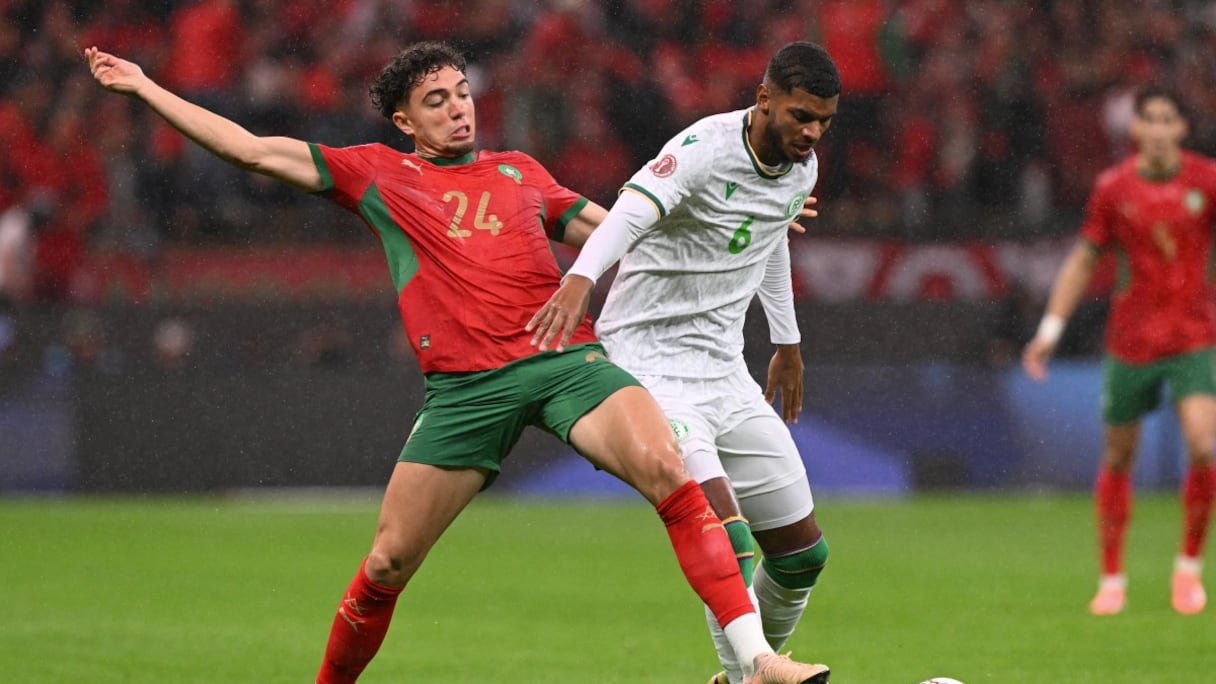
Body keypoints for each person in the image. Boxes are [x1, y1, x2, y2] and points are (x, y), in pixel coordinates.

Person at [84, 42, 832, 684]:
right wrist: (147, 88)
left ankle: (756, 663)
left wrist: (740, 210)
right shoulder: (380, 175)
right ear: (405, 122)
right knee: (386, 566)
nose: (458, 109)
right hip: (466, 392)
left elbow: (627, 231)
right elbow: (250, 149)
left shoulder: (521, 173)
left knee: (672, 473)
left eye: (463, 93)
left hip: (565, 363)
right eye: (436, 101)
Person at [528, 42, 838, 684]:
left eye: (824, 122)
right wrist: (582, 276)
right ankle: (760, 667)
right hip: (648, 367)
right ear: (764, 100)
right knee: (726, 535)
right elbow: (633, 212)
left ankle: (747, 675)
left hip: (724, 370)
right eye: (801, 116)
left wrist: (787, 342)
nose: (812, 133)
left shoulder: (800, 170)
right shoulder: (703, 148)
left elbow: (768, 242)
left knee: (802, 555)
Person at [1023, 86, 1216, 616]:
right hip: (1131, 341)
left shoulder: (1207, 181)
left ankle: (1188, 569)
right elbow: (1084, 260)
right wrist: (1050, 329)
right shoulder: (1114, 188)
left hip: (1194, 337)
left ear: (1182, 128)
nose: (1158, 129)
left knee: (1204, 446)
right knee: (1118, 457)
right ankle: (1112, 578)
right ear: (1135, 129)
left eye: (1168, 119)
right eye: (1149, 119)